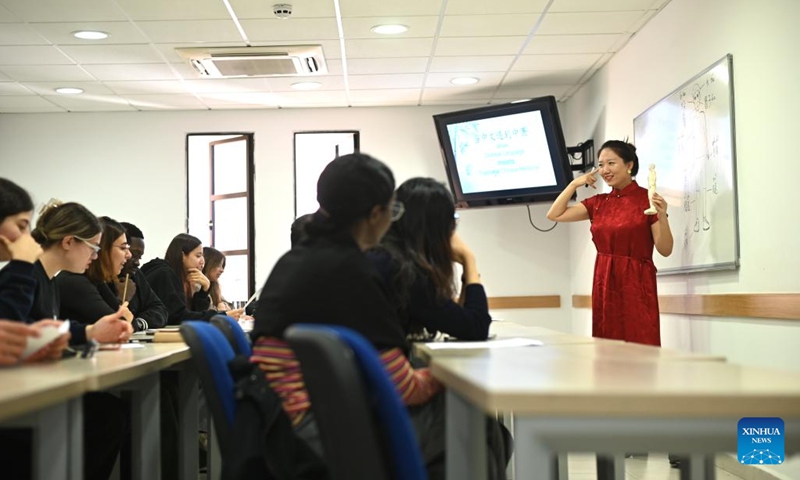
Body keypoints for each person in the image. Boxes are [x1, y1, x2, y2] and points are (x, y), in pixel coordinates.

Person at [250, 153, 510, 480]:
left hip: (276, 419)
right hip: (313, 431)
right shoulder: (355, 271)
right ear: (376, 214)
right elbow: (405, 388)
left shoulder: (300, 260)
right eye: (392, 209)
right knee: (478, 423)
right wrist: (454, 377)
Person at [26, 199, 130, 480]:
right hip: (24, 395)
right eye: (93, 247)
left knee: (111, 411)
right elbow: (28, 335)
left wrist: (90, 334)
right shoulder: (26, 277)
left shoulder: (47, 279)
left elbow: (51, 329)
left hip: (40, 384)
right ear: (69, 242)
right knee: (108, 416)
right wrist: (89, 333)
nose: (96, 256)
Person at [546, 140, 673, 346]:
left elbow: (665, 249)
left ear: (629, 165)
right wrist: (574, 184)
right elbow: (554, 214)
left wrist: (663, 216)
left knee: (640, 342)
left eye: (611, 163)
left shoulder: (647, 199)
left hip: (637, 283)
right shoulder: (598, 203)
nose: (605, 170)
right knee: (606, 345)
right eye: (601, 164)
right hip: (604, 280)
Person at [369, 177, 491, 340]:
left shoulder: (383, 256)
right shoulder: (406, 274)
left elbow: (458, 319)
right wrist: (469, 260)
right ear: (437, 227)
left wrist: (466, 277)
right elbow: (476, 327)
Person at [0, 178, 69, 363]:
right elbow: (9, 323)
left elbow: (9, 329)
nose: (27, 236)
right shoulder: (21, 271)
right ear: (68, 242)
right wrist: (22, 265)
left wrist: (36, 333)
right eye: (22, 226)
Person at [57, 217, 168, 332]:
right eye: (123, 248)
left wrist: (132, 321)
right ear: (103, 249)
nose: (129, 255)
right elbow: (121, 325)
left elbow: (133, 321)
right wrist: (124, 308)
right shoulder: (75, 281)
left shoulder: (97, 280)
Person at [142, 233, 241, 324]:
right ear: (182, 256)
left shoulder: (186, 278)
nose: (202, 261)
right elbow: (179, 317)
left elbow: (194, 314)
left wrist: (204, 290)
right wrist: (221, 316)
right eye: (198, 256)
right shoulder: (164, 273)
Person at [202, 246, 232, 311]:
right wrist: (220, 310)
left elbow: (229, 305)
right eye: (218, 265)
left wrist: (224, 304)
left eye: (222, 266)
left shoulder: (214, 285)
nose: (222, 270)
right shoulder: (198, 286)